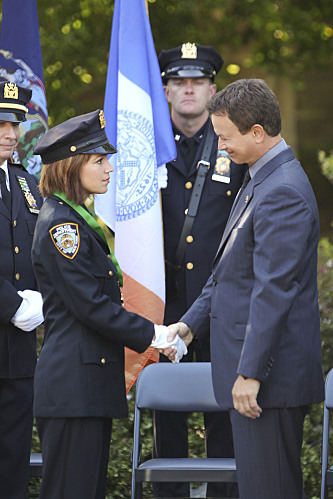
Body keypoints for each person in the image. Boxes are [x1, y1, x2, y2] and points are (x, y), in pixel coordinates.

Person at [168, 78, 325, 499]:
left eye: (225, 137)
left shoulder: (282, 190)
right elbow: (230, 272)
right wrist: (189, 325)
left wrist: (250, 372)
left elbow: (273, 290)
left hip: (268, 382)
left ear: (257, 133)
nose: (219, 147)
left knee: (268, 489)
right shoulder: (259, 177)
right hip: (259, 379)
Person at [31, 109, 185, 499]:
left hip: (87, 385)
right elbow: (91, 306)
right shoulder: (60, 226)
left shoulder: (77, 218)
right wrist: (153, 334)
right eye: (98, 160)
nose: (109, 169)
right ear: (71, 165)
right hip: (72, 389)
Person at [154, 42, 246, 498]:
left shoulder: (234, 146)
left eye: (197, 81)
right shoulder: (145, 147)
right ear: (166, 89)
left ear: (213, 89)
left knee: (224, 426)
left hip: (220, 310)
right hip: (164, 310)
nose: (188, 89)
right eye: (178, 81)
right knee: (164, 427)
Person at [0, 81, 44, 499]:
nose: (10, 132)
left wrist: (42, 295)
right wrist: (11, 304)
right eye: (1, 122)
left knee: (14, 455)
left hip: (17, 350)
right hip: (9, 320)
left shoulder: (27, 183)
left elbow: (39, 251)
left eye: (15, 122)